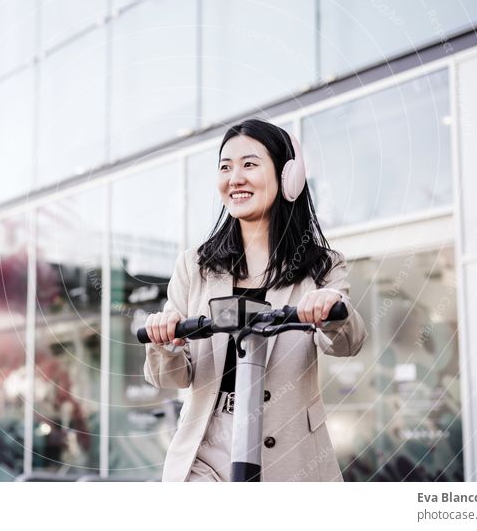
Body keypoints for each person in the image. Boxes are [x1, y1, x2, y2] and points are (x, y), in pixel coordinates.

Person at [143, 118, 368, 482]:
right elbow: (171, 376)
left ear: (288, 177)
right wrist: (164, 342)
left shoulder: (321, 265)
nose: (235, 178)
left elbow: (348, 343)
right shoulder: (195, 265)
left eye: (249, 164)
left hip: (291, 446)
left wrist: (328, 310)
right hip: (207, 444)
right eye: (225, 167)